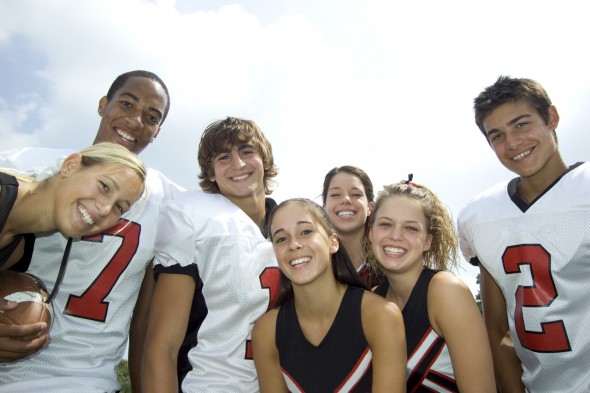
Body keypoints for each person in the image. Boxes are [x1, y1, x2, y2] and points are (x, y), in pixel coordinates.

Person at [0, 70, 183, 393]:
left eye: (151, 117)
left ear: (157, 132)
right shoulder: (23, 165)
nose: (137, 120)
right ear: (103, 104)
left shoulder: (172, 203)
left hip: (88, 378)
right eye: (127, 104)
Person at [457, 76, 590, 392]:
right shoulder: (480, 214)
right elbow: (497, 328)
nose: (513, 143)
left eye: (521, 125)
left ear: (551, 118)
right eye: (497, 135)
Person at [142, 117, 281, 392]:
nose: (238, 164)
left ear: (264, 159)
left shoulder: (290, 226)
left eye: (246, 152)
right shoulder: (195, 216)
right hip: (206, 384)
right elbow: (163, 345)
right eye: (223, 157)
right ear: (210, 173)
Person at [252, 198, 406, 392]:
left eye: (306, 232)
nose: (294, 244)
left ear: (333, 242)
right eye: (281, 239)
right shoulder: (267, 331)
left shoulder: (379, 315)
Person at [370, 180, 495, 392]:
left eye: (410, 228)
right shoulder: (372, 301)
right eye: (385, 224)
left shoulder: (445, 291)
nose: (395, 235)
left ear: (427, 241)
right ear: (371, 233)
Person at [1, 142, 146, 270]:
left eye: (119, 207)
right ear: (71, 166)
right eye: (105, 187)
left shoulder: (18, 252)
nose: (105, 210)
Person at [322, 165, 383, 287]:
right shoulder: (313, 265)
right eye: (335, 195)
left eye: (355, 194)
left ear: (370, 207)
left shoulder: (388, 267)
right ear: (324, 207)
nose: (346, 200)